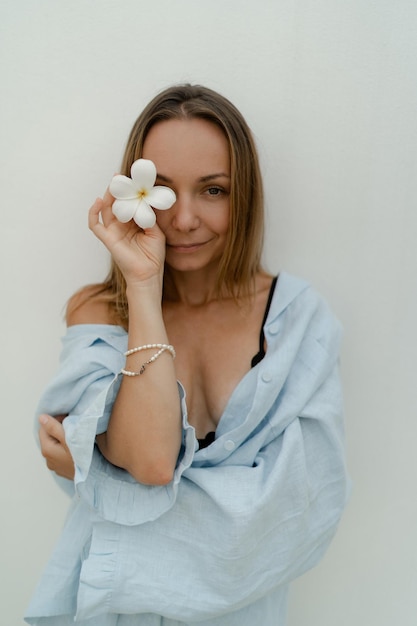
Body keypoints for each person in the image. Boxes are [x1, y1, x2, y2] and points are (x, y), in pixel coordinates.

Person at [25, 84, 350, 626]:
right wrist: (144, 292)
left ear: (244, 194)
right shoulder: (101, 312)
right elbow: (153, 463)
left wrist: (102, 478)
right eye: (162, 191)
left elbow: (295, 516)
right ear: (134, 192)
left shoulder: (298, 323)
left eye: (214, 191)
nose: (182, 219)